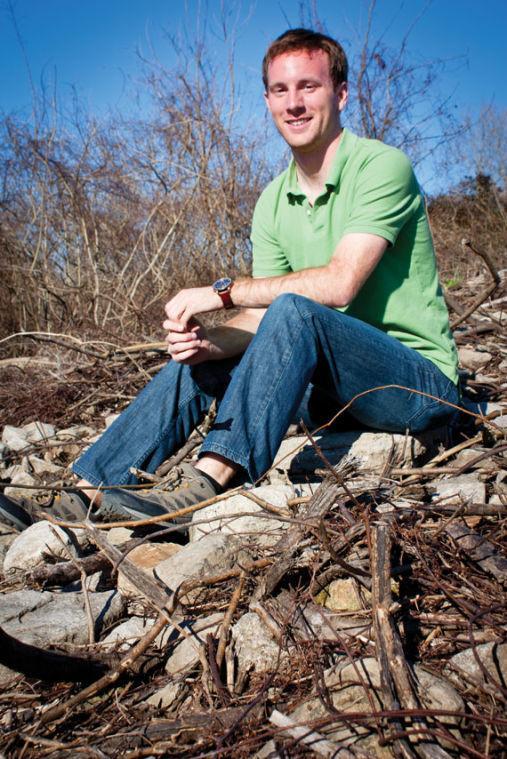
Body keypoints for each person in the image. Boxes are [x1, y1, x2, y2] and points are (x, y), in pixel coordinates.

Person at [0, 28, 459, 531]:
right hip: (334, 393)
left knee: (296, 308)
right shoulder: (271, 201)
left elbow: (339, 284)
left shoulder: (380, 167)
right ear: (267, 101)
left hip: (417, 385)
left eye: (309, 86)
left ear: (341, 93)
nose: (295, 104)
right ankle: (84, 494)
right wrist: (209, 343)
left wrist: (221, 293)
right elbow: (266, 320)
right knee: (195, 361)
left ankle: (208, 483)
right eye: (281, 91)